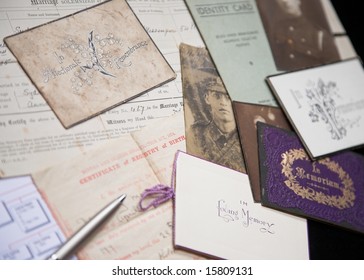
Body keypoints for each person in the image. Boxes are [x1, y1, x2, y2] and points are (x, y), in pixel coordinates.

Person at [187, 77, 246, 173]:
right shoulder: (196, 134)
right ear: (207, 98)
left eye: (229, 97)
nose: (223, 102)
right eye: (217, 96)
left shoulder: (248, 138)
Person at [261, 0, 340, 71]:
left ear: (299, 1)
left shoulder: (318, 34)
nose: (285, 1)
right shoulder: (275, 31)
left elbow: (335, 70)